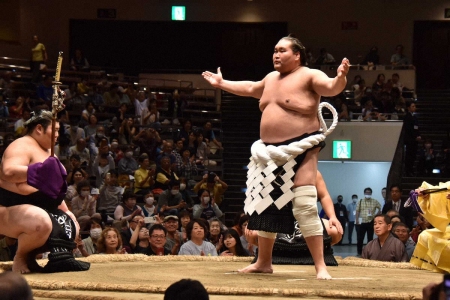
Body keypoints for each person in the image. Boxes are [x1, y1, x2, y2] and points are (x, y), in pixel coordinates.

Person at [202, 35, 349, 278]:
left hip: (302, 148)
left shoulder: (309, 75)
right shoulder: (270, 79)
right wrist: (222, 83)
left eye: (282, 50)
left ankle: (320, 266)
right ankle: (264, 262)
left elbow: (331, 87)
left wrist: (340, 77)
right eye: (274, 50)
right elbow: (250, 88)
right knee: (266, 206)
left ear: (297, 54)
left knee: (303, 205)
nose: (276, 55)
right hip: (268, 153)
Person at [0, 109, 89, 273]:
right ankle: (20, 257)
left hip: (36, 207)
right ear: (39, 129)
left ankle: (31, 257)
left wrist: (67, 211)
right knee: (41, 221)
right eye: (54, 130)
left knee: (71, 225)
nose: (57, 134)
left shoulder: (48, 152)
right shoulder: (21, 145)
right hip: (8, 208)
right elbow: (8, 172)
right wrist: (40, 172)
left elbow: (53, 192)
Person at [355, 187, 382, 256]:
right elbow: (357, 211)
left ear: (371, 194)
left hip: (371, 222)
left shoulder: (374, 201)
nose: (368, 194)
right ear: (364, 193)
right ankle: (359, 252)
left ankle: (369, 252)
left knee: (370, 238)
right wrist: (357, 219)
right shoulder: (361, 201)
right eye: (367, 193)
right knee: (360, 238)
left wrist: (376, 216)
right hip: (362, 222)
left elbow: (380, 208)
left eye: (369, 193)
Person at [403, 101, 421, 176]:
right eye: (412, 106)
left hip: (414, 139)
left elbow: (416, 128)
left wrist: (418, 135)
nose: (414, 108)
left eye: (414, 106)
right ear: (408, 108)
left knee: (413, 155)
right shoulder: (407, 117)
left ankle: (411, 169)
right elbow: (408, 129)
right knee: (409, 155)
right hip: (410, 140)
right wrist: (415, 137)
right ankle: (408, 170)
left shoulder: (414, 117)